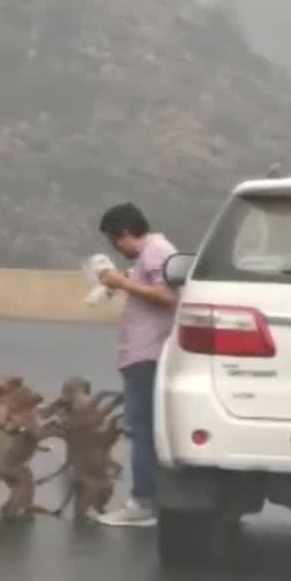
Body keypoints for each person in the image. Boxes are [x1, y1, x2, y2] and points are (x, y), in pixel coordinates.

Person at [91, 202, 179, 527]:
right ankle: (152, 498)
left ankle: (142, 502)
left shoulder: (156, 251)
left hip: (147, 354)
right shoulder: (152, 255)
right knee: (146, 430)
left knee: (141, 431)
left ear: (124, 234)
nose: (117, 249)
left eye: (115, 242)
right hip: (141, 353)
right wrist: (122, 279)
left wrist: (123, 282)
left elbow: (169, 295)